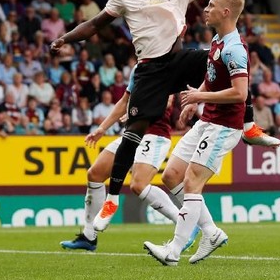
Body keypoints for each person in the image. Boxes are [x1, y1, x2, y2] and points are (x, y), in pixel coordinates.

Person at [50, 0, 279, 226]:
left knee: (225, 61)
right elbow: (94, 24)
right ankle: (113, 200)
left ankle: (249, 126)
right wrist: (65, 38)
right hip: (150, 70)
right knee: (133, 134)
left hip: (177, 60)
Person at [144, 0, 249, 266]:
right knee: (171, 176)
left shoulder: (234, 49)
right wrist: (196, 99)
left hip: (224, 126)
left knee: (191, 182)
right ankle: (211, 233)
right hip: (207, 120)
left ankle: (174, 250)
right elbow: (212, 76)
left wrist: (199, 97)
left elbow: (241, 93)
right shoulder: (217, 40)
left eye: (212, 5)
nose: (206, 8)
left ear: (226, 12)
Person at [60, 88, 199, 252]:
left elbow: (166, 103)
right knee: (95, 174)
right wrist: (102, 128)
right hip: (132, 133)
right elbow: (124, 102)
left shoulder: (164, 68)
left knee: (138, 185)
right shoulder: (138, 69)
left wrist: (138, 111)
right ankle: (89, 237)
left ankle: (185, 224)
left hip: (154, 135)